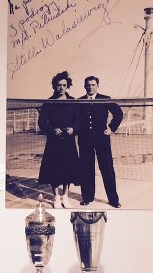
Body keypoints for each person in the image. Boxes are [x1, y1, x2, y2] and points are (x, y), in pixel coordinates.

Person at [77, 75, 124, 208]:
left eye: (93, 85)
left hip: (102, 139)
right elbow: (75, 118)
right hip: (85, 139)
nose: (90, 87)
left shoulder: (105, 99)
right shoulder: (79, 101)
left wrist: (111, 128)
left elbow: (119, 114)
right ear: (84, 86)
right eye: (88, 85)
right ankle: (87, 197)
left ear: (97, 86)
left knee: (107, 168)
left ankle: (113, 200)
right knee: (86, 169)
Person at [36, 70, 80, 208]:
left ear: (68, 86)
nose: (61, 88)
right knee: (54, 169)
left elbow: (78, 120)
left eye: (64, 85)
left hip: (68, 141)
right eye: (59, 85)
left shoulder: (73, 102)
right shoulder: (49, 102)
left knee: (68, 169)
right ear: (54, 86)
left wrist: (73, 129)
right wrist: (52, 130)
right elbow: (42, 122)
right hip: (54, 141)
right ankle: (56, 197)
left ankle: (65, 197)